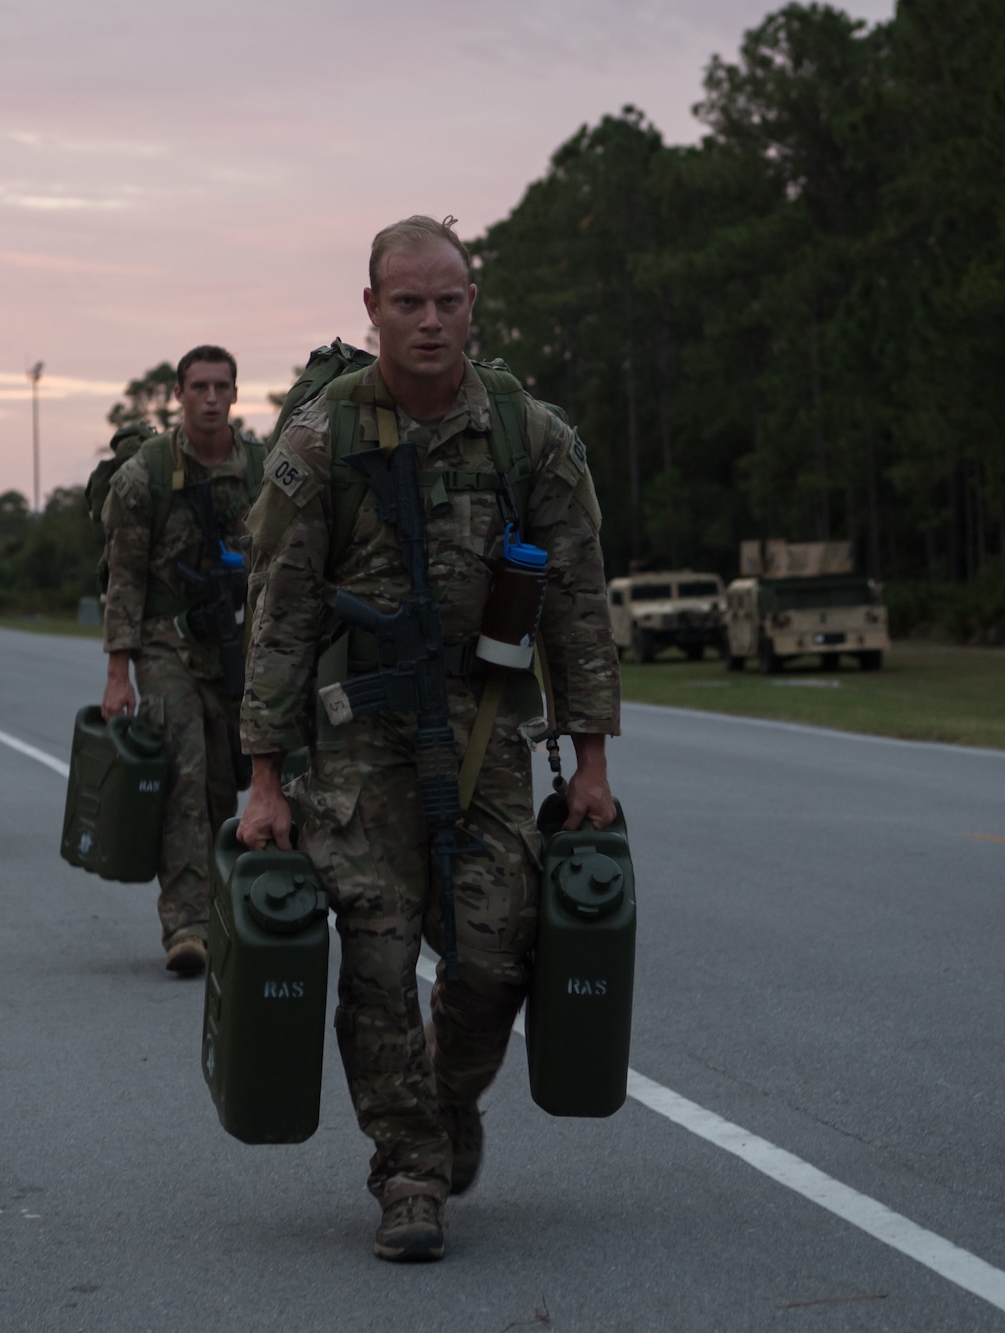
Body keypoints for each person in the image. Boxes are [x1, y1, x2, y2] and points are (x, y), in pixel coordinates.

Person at [235, 217, 619, 1262]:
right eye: (407, 302)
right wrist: (264, 777)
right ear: (370, 311)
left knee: (496, 955)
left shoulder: (522, 431)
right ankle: (407, 1171)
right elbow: (278, 614)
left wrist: (588, 759)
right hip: (358, 738)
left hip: (488, 728)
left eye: (447, 299)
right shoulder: (321, 439)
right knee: (374, 957)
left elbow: (577, 600)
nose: (430, 320)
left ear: (471, 304)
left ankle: (446, 1104)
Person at [101, 345, 262, 977]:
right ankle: (187, 924)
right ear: (178, 394)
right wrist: (120, 672)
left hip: (235, 642)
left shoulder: (259, 469)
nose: (212, 398)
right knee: (187, 775)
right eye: (199, 386)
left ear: (236, 394)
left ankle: (221, 910)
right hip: (165, 642)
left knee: (227, 781)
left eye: (223, 386)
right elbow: (125, 575)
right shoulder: (147, 473)